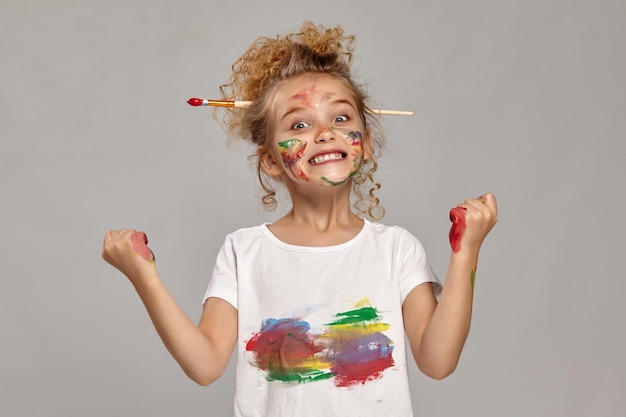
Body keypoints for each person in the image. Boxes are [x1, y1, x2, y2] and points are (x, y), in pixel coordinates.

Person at [102, 22, 498, 417]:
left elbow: (438, 361)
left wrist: (467, 252)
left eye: (341, 119)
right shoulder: (245, 251)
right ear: (271, 159)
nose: (326, 133)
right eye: (300, 124)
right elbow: (205, 367)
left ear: (367, 142)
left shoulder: (396, 249)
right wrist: (144, 276)